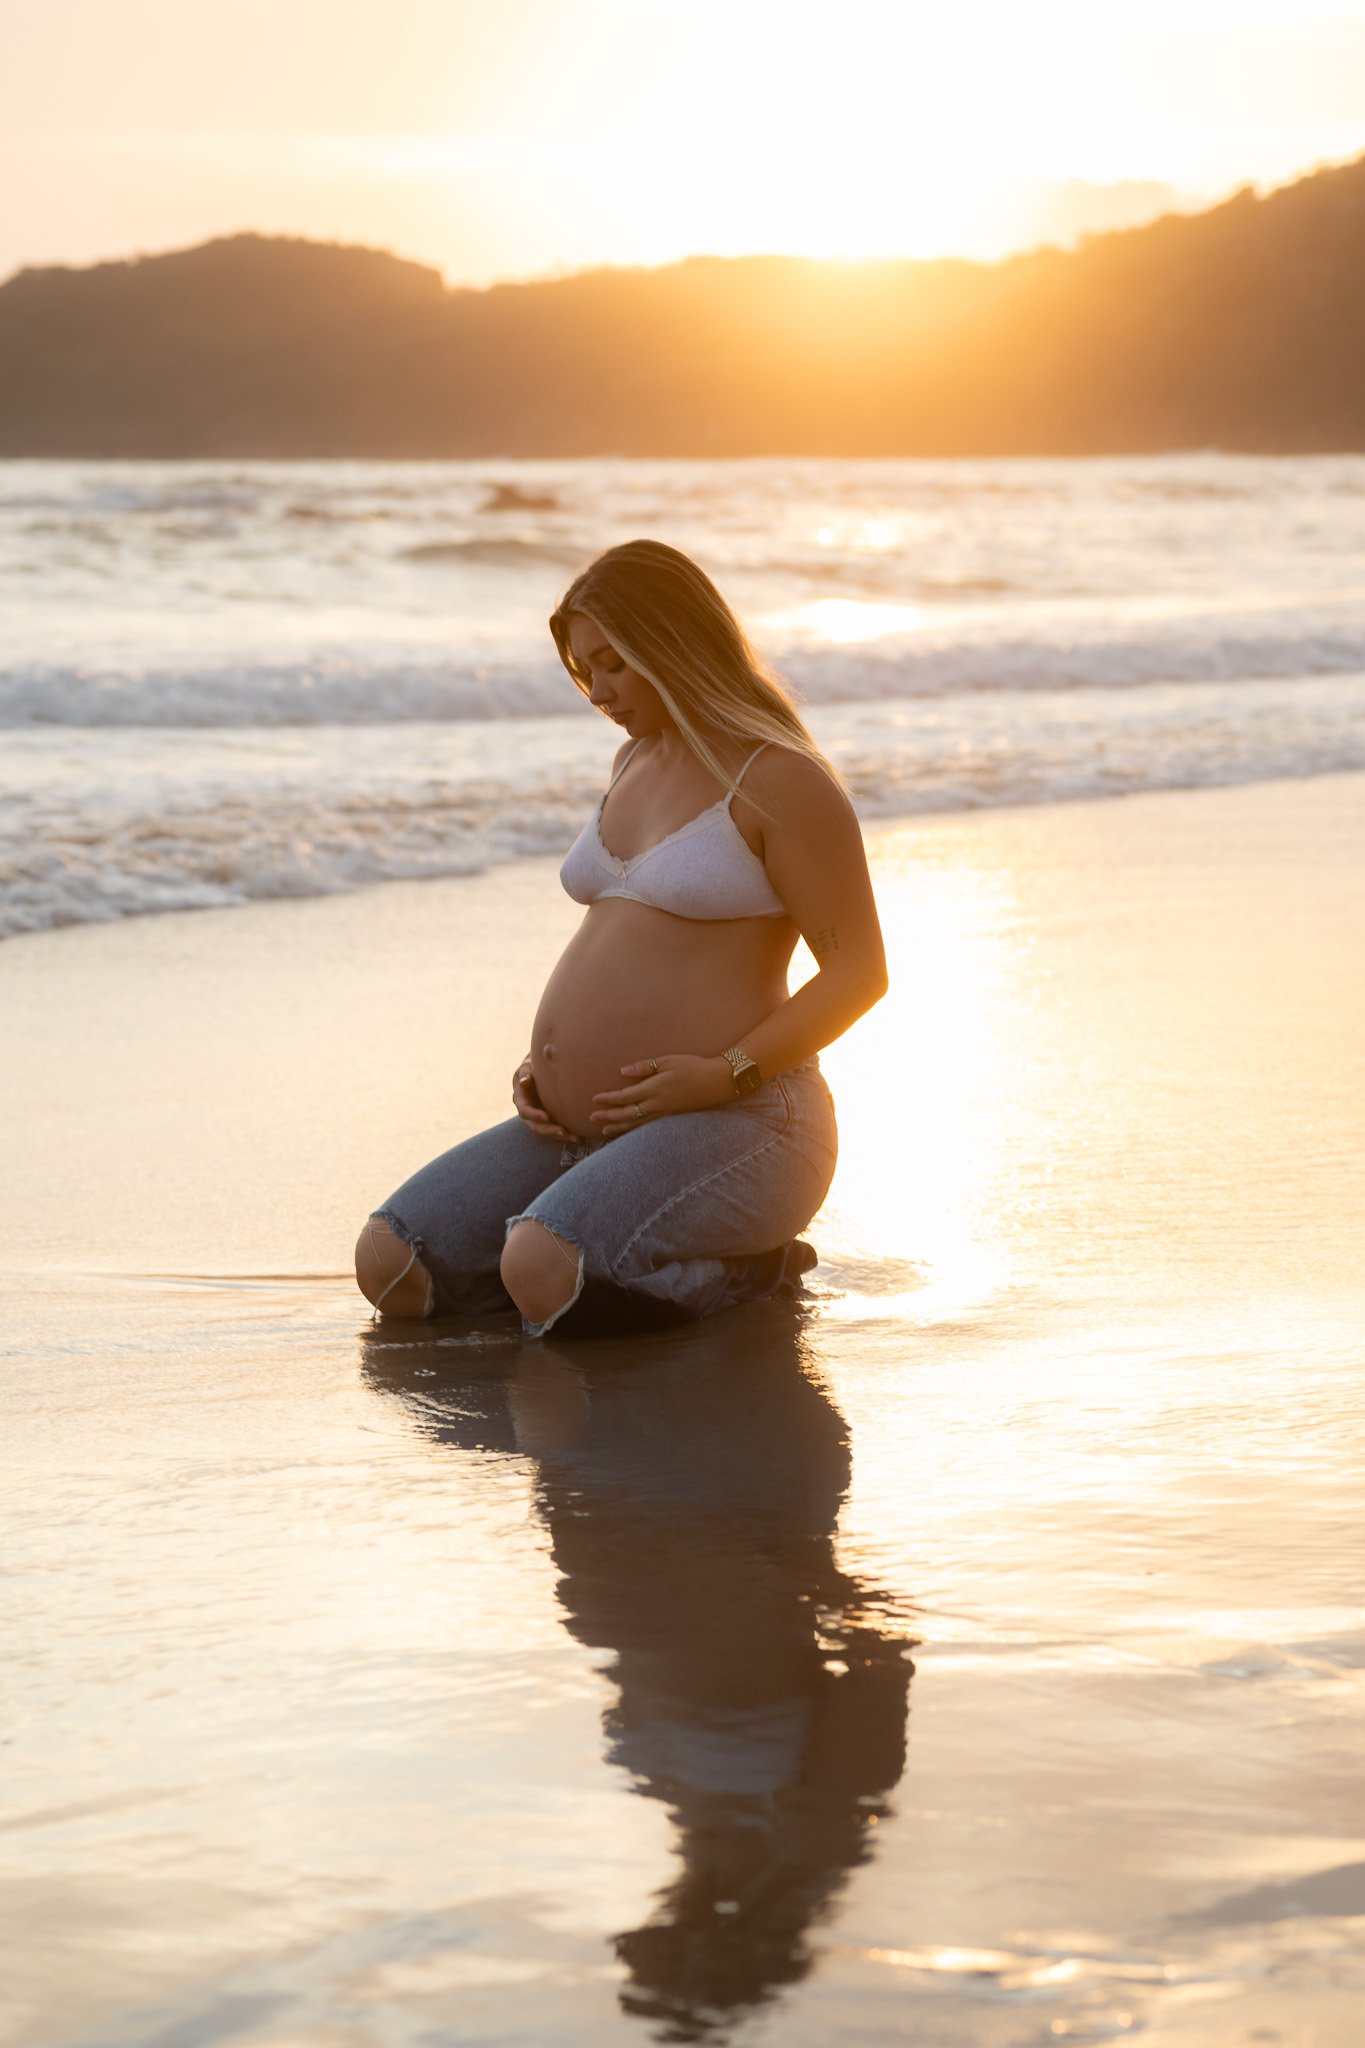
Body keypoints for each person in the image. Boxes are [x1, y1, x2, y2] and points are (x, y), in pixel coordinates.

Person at [354, 538, 887, 1337]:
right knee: (391, 1262)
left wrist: (724, 1073)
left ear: (674, 644)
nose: (598, 690)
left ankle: (748, 1268)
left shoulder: (779, 778)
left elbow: (858, 974)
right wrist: (552, 1066)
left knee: (544, 1263)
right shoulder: (632, 757)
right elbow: (626, 940)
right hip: (591, 1127)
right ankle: (590, 1275)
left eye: (614, 664)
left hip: (749, 1121)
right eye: (584, 669)